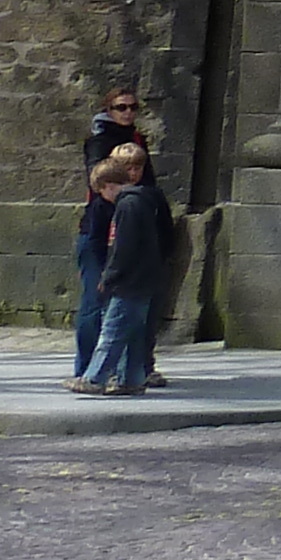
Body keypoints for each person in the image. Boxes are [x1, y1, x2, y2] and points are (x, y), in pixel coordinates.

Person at [67, 146, 170, 397]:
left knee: (112, 331)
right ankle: (131, 378)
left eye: (102, 192)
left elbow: (122, 248)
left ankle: (94, 378)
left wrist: (109, 277)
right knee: (134, 332)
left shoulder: (127, 206)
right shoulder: (143, 200)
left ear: (109, 185)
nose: (104, 198)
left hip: (129, 281)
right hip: (145, 278)